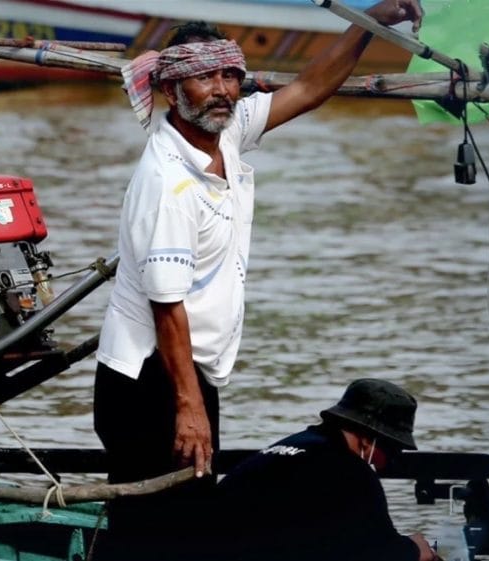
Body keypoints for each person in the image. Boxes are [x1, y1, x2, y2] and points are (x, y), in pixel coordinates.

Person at [92, 0, 424, 541]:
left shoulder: (223, 131)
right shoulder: (167, 183)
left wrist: (369, 23)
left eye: (229, 75)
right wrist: (190, 408)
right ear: (172, 90)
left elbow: (310, 87)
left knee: (184, 522)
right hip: (152, 381)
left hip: (188, 373)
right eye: (205, 78)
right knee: (158, 531)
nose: (222, 90)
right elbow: (166, 307)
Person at [214, 378, 440, 561]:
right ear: (368, 439)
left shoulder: (290, 445)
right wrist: (415, 548)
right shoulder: (351, 471)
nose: (389, 461)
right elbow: (382, 552)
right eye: (393, 449)